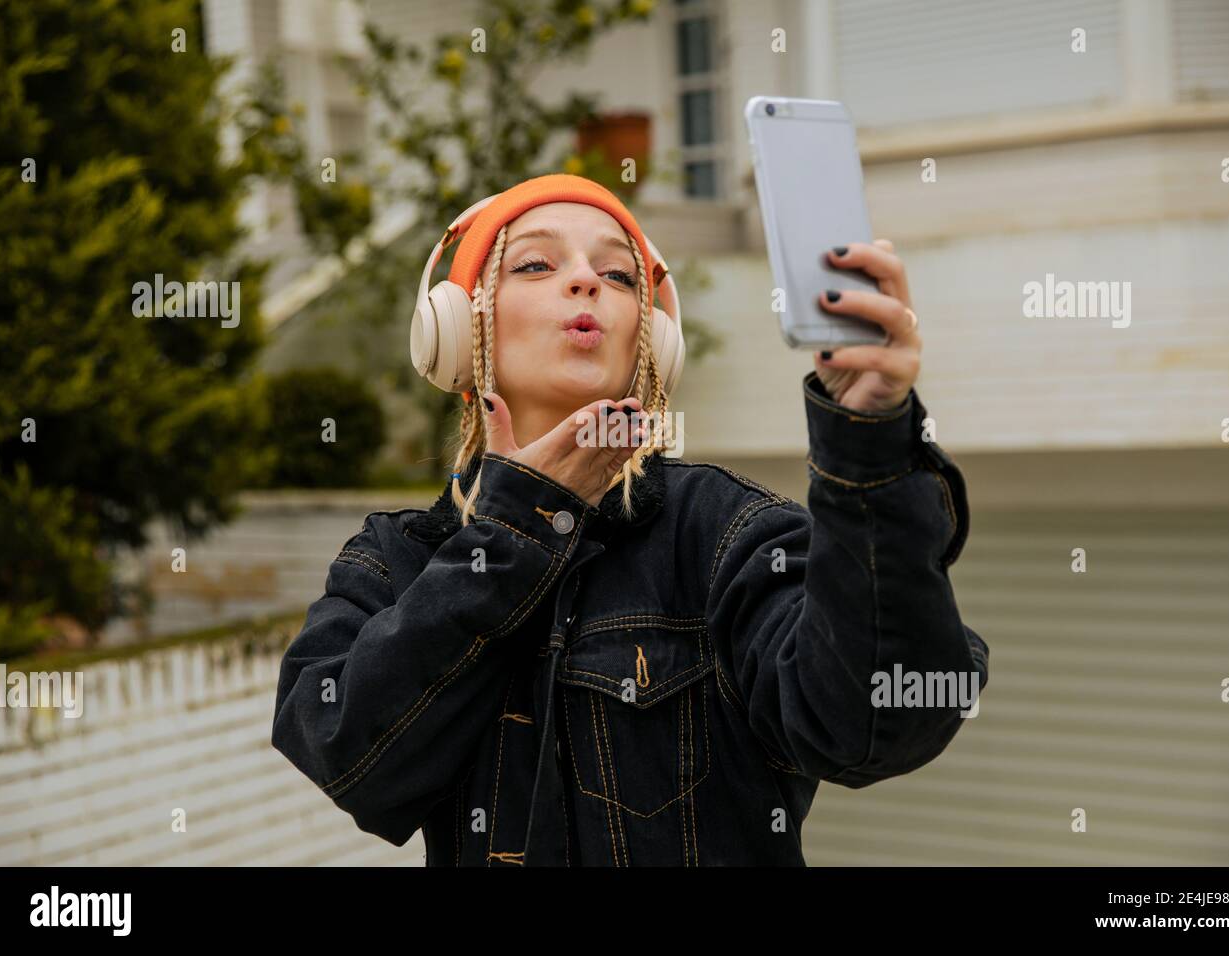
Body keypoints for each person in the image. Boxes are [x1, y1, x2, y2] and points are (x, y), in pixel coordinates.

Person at [271, 173, 989, 866]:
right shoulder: (395, 559)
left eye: (617, 277)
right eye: (537, 263)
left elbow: (872, 726)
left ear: (651, 346)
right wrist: (520, 525)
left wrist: (869, 443)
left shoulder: (726, 534)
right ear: (458, 331)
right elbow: (348, 758)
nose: (586, 281)